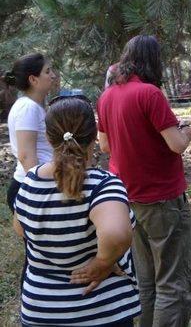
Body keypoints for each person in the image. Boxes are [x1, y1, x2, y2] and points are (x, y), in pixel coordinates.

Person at [13, 97, 140, 326]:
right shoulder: (103, 185)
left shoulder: (30, 181)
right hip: (100, 310)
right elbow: (116, 233)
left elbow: (20, 228)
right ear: (93, 137)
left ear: (48, 139)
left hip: (41, 309)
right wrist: (103, 262)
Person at [97, 35, 191, 327]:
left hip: (126, 197)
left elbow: (104, 146)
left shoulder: (108, 96)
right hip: (162, 198)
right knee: (172, 284)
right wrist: (187, 130)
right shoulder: (150, 94)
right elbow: (176, 144)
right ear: (153, 60)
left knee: (146, 280)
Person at [4, 54, 56, 212]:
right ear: (33, 80)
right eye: (47, 72)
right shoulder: (28, 108)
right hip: (32, 187)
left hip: (37, 184)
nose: (53, 75)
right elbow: (26, 156)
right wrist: (40, 191)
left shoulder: (33, 106)